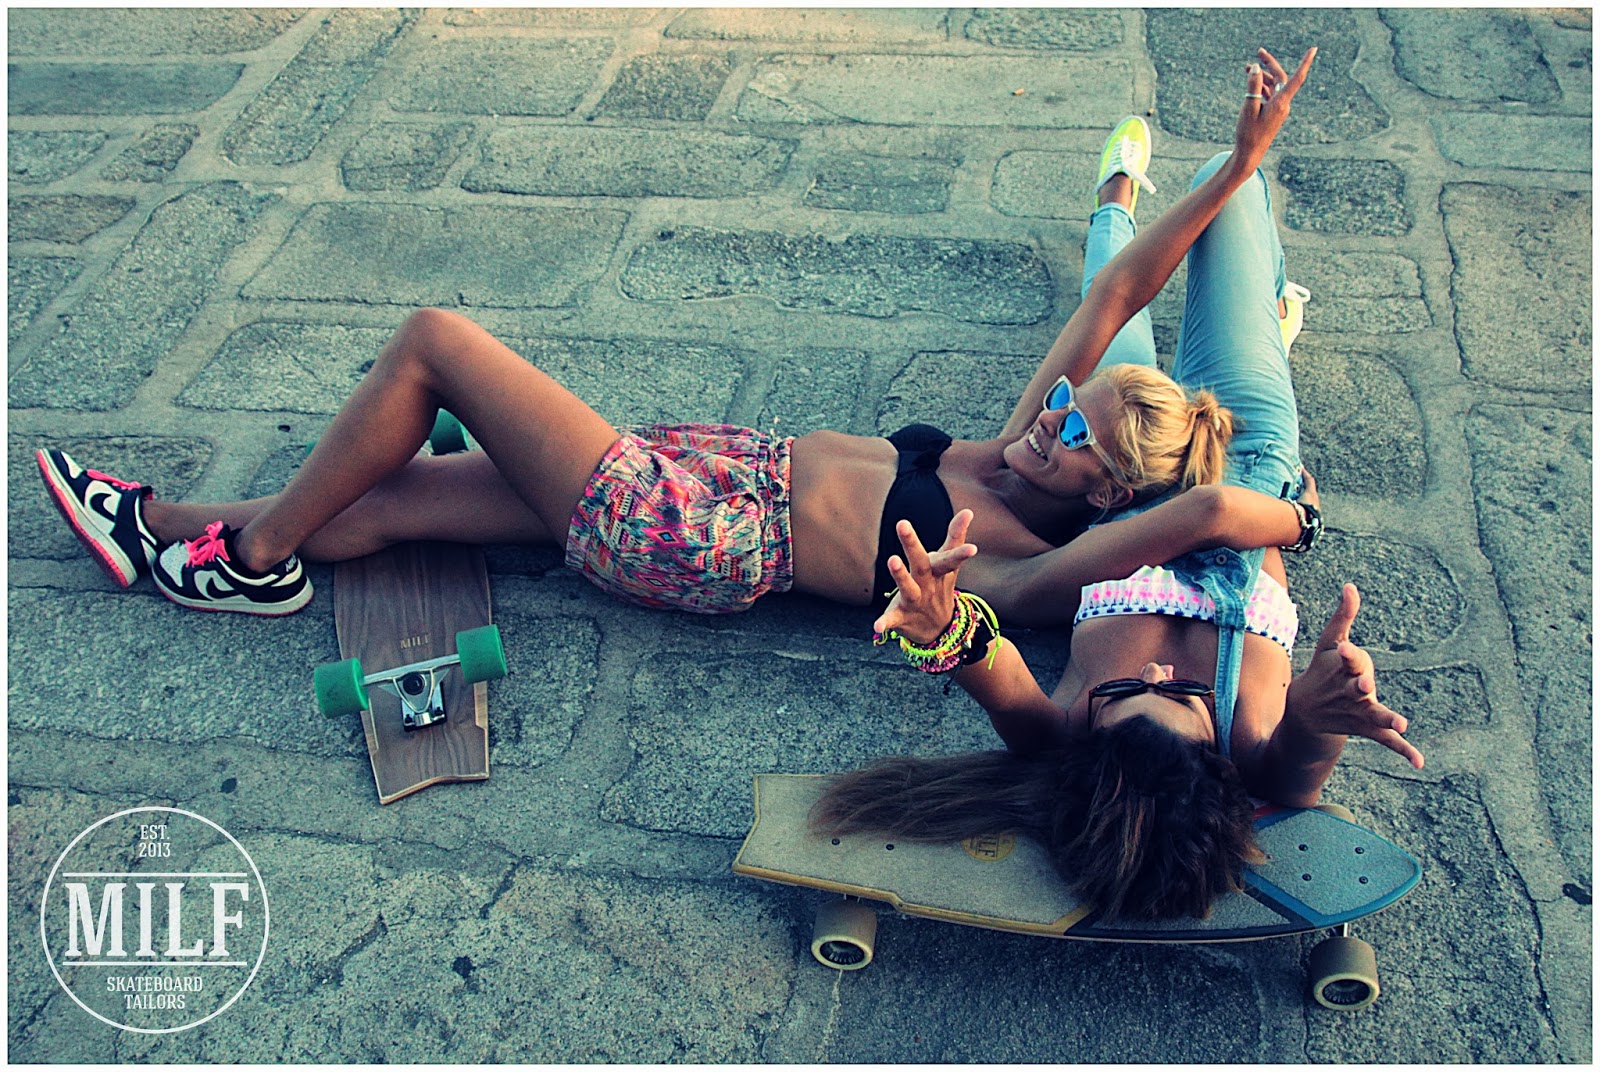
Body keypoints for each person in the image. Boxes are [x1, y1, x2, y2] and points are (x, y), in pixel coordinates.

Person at [38, 51, 1308, 625]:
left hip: (690, 530)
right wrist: (1235, 167)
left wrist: (1288, 516)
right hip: (709, 464)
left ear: (1106, 494)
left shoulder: (1025, 559)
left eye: (1075, 434)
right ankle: (160, 530)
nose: (1052, 417)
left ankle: (256, 560)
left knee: (435, 343)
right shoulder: (1010, 447)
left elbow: (1202, 517)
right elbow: (1115, 289)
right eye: (1069, 406)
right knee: (398, 500)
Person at [811, 46, 1424, 922]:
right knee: (1227, 182)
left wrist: (940, 627)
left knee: (1113, 302)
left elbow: (986, 661)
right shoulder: (1259, 752)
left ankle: (1116, 199)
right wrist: (1326, 704)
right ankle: (1262, 325)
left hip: (1121, 468)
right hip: (1249, 452)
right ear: (1221, 772)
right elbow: (1301, 766)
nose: (1160, 674)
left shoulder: (1062, 729)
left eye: (1129, 693)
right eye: (1179, 695)